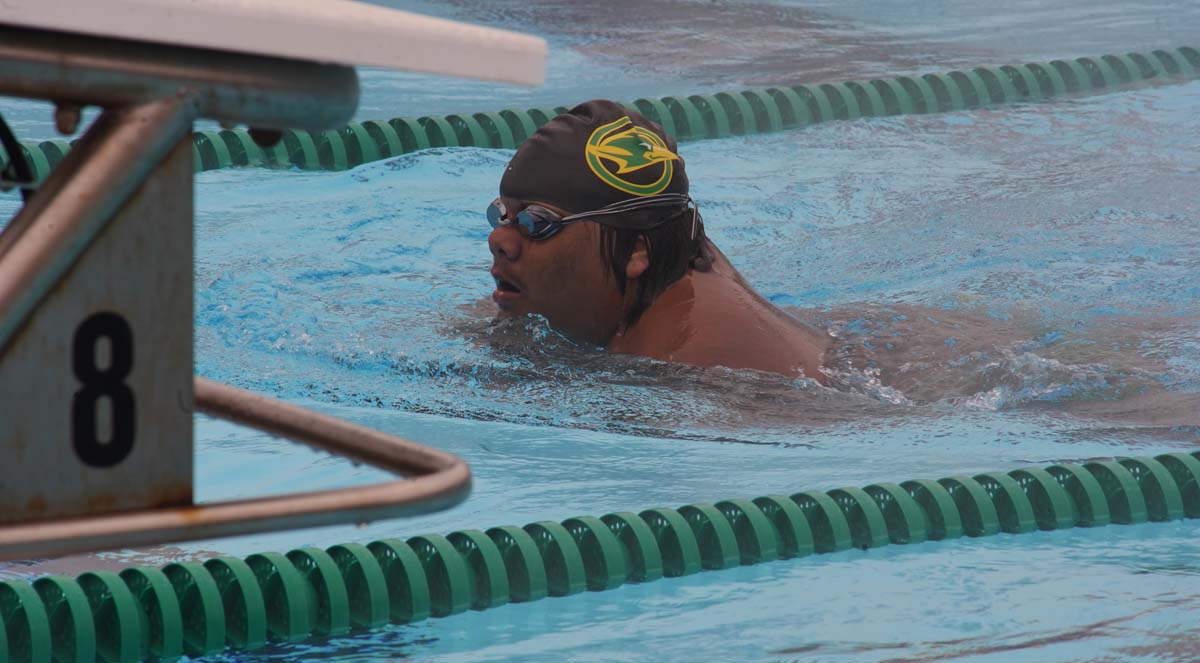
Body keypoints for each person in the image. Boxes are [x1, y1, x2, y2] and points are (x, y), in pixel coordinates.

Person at [486, 100, 830, 383]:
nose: (499, 240)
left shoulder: (695, 376)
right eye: (503, 214)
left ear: (637, 252)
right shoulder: (670, 256)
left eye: (537, 223)